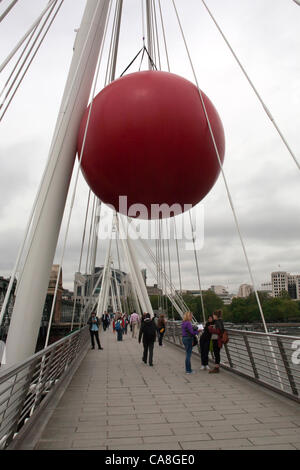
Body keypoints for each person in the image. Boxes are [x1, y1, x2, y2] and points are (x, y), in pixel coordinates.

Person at [208, 310, 225, 374]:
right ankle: (216, 367)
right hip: (219, 340)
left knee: (216, 354)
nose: (213, 316)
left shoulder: (217, 321)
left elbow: (219, 331)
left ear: (215, 315)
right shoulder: (220, 321)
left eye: (213, 315)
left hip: (217, 340)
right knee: (217, 354)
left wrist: (211, 329)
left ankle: (216, 368)